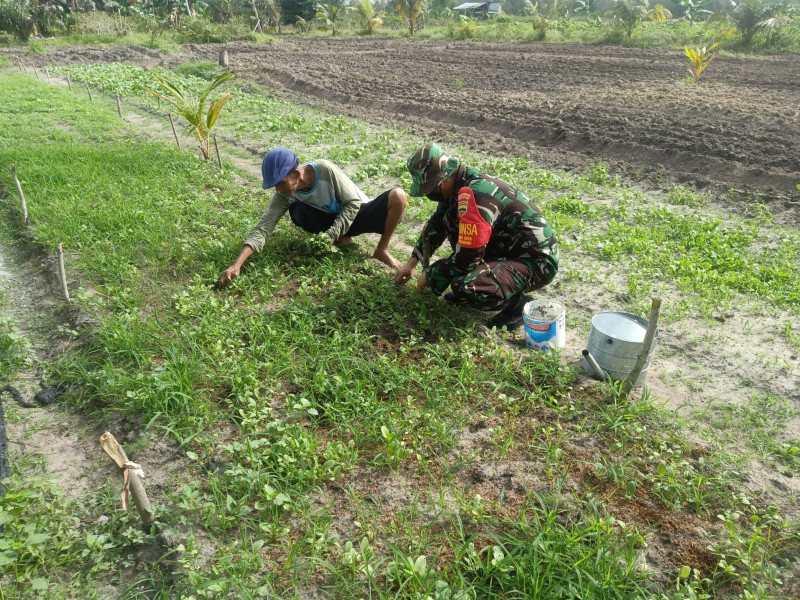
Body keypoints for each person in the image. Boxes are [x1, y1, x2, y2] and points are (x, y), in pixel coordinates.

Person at [394, 142, 559, 329]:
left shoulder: (478, 193)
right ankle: (490, 277)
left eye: (432, 188)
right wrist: (412, 263)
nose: (432, 193)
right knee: (453, 236)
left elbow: (469, 256)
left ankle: (517, 305)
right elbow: (436, 226)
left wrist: (433, 274)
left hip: (535, 260)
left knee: (469, 286)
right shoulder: (457, 187)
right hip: (504, 249)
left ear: (444, 177)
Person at [220, 148, 407, 285]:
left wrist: (330, 235)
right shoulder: (284, 195)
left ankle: (381, 249)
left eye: (280, 183)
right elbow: (264, 227)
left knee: (398, 196)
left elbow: (352, 203)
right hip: (330, 222)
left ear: (295, 174)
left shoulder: (324, 169)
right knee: (298, 211)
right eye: (274, 186)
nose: (278, 189)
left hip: (358, 213)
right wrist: (237, 264)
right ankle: (342, 239)